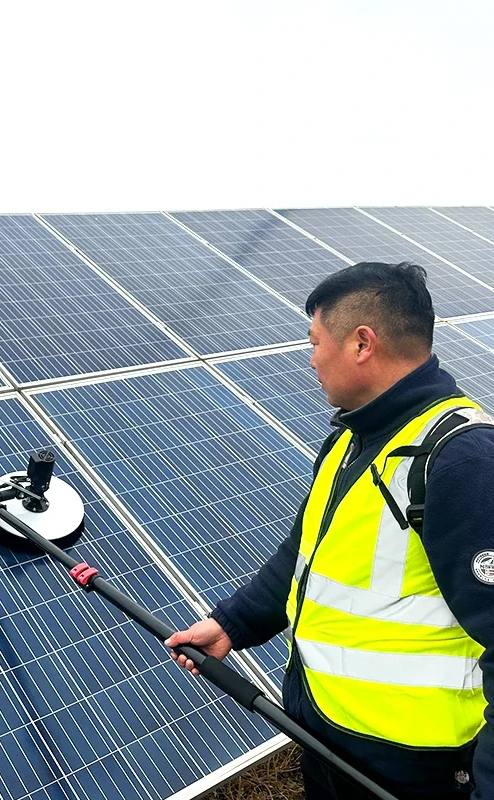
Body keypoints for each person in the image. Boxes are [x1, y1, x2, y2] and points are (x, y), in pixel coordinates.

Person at [166, 262, 493, 799]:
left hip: (412, 770)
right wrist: (233, 624)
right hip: (328, 739)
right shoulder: (351, 438)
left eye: (315, 342)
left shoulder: (461, 460)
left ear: (362, 343)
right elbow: (306, 554)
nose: (311, 359)